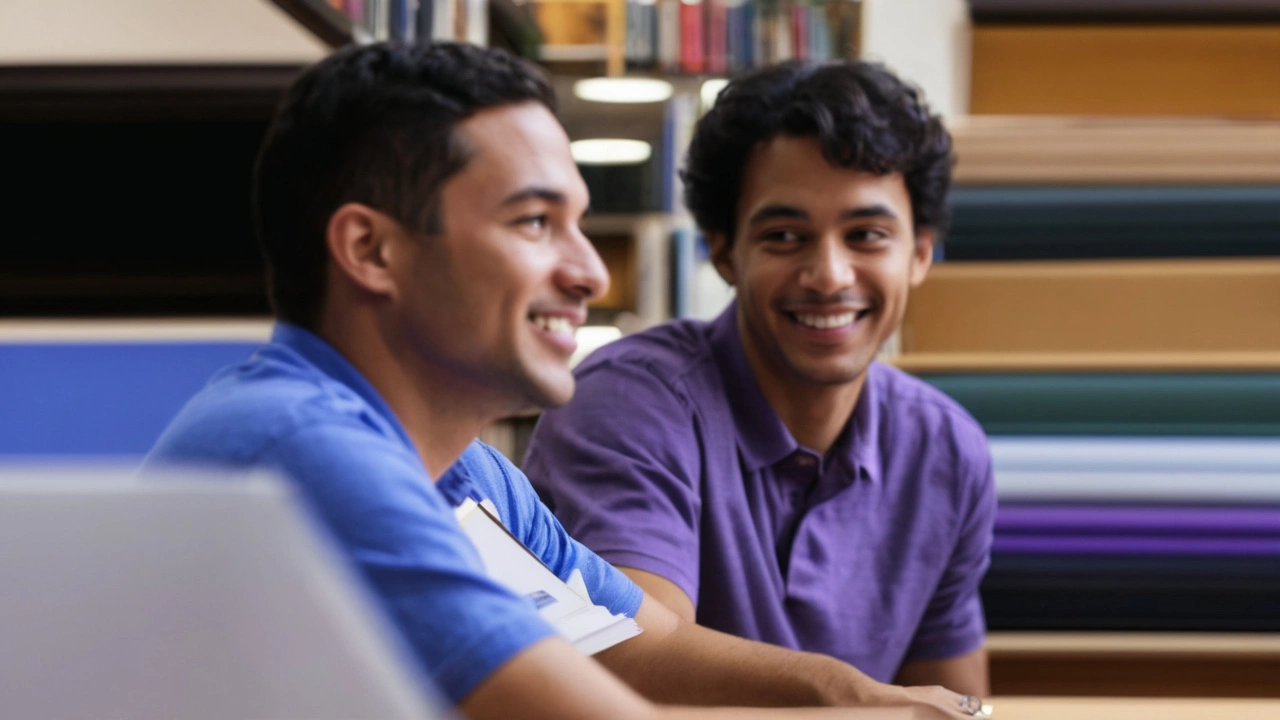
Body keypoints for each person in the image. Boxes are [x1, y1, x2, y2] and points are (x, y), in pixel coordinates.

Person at [143, 43, 983, 720]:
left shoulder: (472, 478)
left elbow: (638, 645)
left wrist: (870, 696)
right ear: (371, 250)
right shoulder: (300, 446)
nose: (587, 272)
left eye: (580, 224)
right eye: (536, 222)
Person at [525, 60, 996, 696]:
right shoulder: (626, 401)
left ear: (919, 253)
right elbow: (638, 669)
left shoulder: (947, 449)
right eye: (784, 235)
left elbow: (952, 705)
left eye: (867, 235)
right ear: (723, 251)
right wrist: (844, 693)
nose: (829, 275)